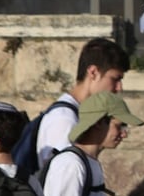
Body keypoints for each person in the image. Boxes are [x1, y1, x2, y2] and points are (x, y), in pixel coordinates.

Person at [35, 37, 130, 170]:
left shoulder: (77, 113)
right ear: (93, 72)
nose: (119, 88)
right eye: (115, 79)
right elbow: (61, 178)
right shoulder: (64, 119)